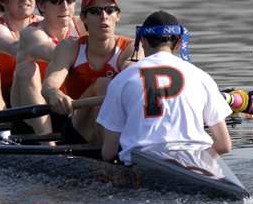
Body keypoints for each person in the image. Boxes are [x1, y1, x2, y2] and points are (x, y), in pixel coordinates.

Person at [97, 10, 232, 164]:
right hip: (194, 163)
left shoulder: (121, 81)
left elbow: (108, 154)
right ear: (180, 42)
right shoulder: (202, 77)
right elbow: (224, 145)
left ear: (143, 42)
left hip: (142, 166)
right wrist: (201, 165)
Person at [42, 0, 138, 144]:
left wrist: (132, 69)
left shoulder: (131, 48)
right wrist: (56, 95)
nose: (104, 16)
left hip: (119, 126)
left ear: (118, 15)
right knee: (102, 85)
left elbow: (133, 70)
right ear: (84, 18)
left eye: (110, 10)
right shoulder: (69, 47)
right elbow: (49, 85)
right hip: (78, 129)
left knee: (109, 85)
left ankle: (111, 151)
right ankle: (108, 157)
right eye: (95, 11)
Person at [10, 0, 84, 135]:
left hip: (69, 107)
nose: (65, 7)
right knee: (26, 68)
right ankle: (46, 141)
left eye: (69, 0)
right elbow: (57, 53)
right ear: (42, 5)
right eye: (56, 1)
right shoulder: (31, 33)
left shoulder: (83, 26)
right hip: (31, 116)